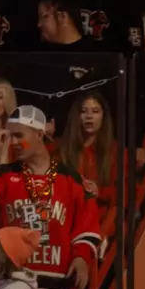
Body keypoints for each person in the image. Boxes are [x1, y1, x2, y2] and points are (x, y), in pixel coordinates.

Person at [0, 112, 102, 289]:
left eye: (19, 136)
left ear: (39, 134)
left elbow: (87, 224)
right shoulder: (6, 175)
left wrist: (81, 257)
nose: (14, 142)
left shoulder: (70, 178)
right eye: (10, 136)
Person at [57, 89, 118, 230]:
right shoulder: (62, 148)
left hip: (100, 221)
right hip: (68, 219)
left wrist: (99, 191)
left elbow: (124, 192)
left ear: (103, 117)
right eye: (84, 111)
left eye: (95, 111)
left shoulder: (115, 151)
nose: (89, 116)